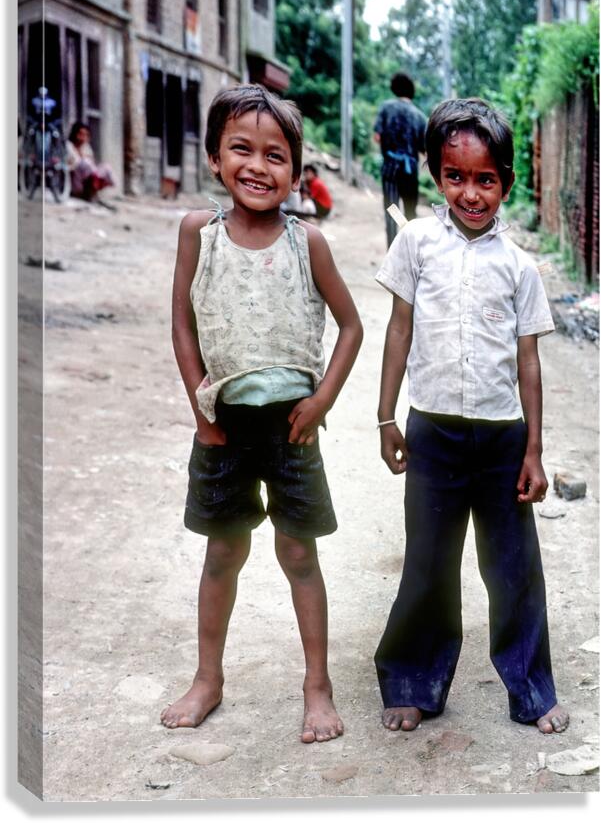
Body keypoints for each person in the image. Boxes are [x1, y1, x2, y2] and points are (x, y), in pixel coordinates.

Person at [162, 84, 363, 743]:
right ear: (214, 159)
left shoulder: (308, 243)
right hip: (220, 425)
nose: (257, 165)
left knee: (298, 551)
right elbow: (183, 323)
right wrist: (198, 402)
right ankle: (207, 678)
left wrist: (321, 397)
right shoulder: (199, 233)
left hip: (291, 425)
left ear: (297, 169)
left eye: (275, 154)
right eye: (240, 149)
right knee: (223, 549)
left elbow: (352, 326)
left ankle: (317, 685)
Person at [373, 97, 569, 736]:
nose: (471, 193)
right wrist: (385, 417)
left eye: (486, 179)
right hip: (432, 429)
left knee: (513, 569)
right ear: (434, 173)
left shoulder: (519, 267)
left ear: (507, 183)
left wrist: (534, 450)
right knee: (428, 564)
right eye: (456, 176)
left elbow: (530, 364)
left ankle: (531, 688)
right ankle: (412, 680)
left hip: (502, 436)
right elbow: (399, 331)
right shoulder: (417, 242)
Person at [374, 72, 426, 246]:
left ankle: (393, 252)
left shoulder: (386, 108)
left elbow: (377, 137)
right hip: (410, 169)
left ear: (394, 88)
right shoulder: (419, 116)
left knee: (392, 210)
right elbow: (424, 149)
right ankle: (411, 249)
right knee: (411, 212)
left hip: (390, 167)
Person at [66, 121, 115, 201]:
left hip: (88, 180)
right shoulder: (68, 146)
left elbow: (92, 164)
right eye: (81, 134)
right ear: (75, 134)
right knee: (85, 163)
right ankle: (81, 193)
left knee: (106, 167)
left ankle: (92, 192)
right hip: (74, 180)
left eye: (86, 135)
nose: (83, 137)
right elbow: (69, 166)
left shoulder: (86, 148)